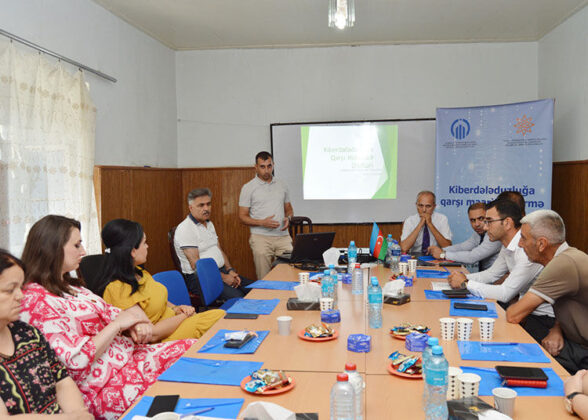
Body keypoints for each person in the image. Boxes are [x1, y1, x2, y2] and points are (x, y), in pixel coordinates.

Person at [19, 215, 196, 420]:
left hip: (131, 358)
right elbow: (74, 361)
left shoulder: (72, 287)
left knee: (192, 350)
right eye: (77, 245)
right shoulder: (36, 302)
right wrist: (118, 325)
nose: (83, 252)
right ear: (53, 248)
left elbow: (123, 313)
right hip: (104, 385)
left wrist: (136, 323)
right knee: (188, 380)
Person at [0, 250, 93, 419]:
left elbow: (62, 382)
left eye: (20, 287)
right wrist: (70, 418)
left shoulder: (27, 333)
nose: (21, 296)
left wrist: (78, 414)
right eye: (9, 290)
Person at [99, 219, 225, 341]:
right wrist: (183, 316)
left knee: (220, 316)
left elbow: (159, 300)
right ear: (133, 251)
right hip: (163, 338)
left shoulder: (140, 272)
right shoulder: (117, 289)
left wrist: (177, 308)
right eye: (144, 243)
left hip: (175, 323)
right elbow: (152, 334)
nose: (147, 246)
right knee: (219, 319)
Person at [448, 199, 554, 342]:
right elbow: (491, 274)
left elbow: (505, 293)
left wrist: (466, 283)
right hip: (524, 314)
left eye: (489, 221)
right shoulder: (507, 245)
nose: (485, 228)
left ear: (507, 223)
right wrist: (460, 278)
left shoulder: (526, 249)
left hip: (542, 320)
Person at [506, 209, 588, 374]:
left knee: (517, 361)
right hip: (574, 342)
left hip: (582, 352)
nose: (520, 244)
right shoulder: (567, 257)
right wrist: (557, 328)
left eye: (523, 238)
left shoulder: (563, 264)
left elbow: (513, 315)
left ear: (542, 244)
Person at [175, 188, 255, 299]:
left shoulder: (209, 223)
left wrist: (230, 270)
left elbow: (219, 250)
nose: (206, 208)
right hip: (200, 278)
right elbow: (197, 266)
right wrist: (223, 278)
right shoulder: (185, 229)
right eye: (201, 205)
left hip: (220, 272)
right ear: (191, 208)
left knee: (255, 288)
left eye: (208, 204)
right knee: (238, 298)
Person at [239, 151, 294, 279]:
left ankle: (285, 299)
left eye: (269, 166)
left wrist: (288, 218)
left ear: (273, 165)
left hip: (283, 237)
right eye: (262, 167)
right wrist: (262, 222)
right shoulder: (248, 188)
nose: (266, 170)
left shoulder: (282, 185)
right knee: (263, 277)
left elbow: (289, 209)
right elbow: (242, 217)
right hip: (261, 237)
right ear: (256, 167)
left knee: (289, 274)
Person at [428, 202, 501, 271]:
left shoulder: (494, 235)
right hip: (486, 276)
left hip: (496, 279)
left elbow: (472, 257)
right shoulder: (479, 233)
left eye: (481, 218)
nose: (477, 224)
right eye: (473, 220)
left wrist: (443, 254)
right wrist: (440, 250)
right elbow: (463, 247)